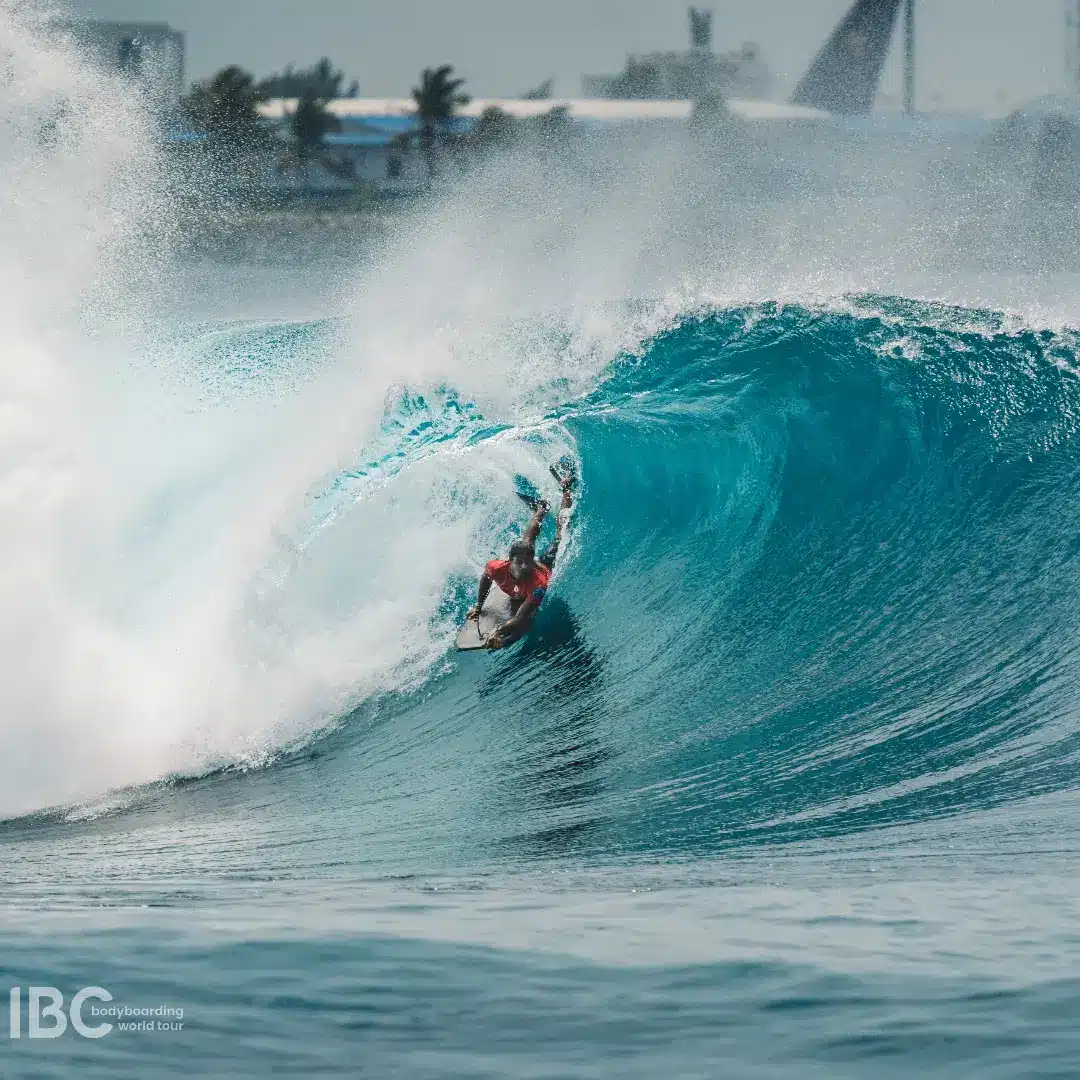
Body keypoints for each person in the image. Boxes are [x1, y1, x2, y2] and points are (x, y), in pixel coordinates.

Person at [467, 473, 574, 649]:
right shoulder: (496, 567)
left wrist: (499, 631)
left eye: (528, 562)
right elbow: (486, 577)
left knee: (561, 534)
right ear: (509, 561)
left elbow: (521, 618)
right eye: (519, 562)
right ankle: (541, 508)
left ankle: (566, 489)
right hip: (519, 565)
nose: (524, 567)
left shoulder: (538, 586)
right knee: (526, 542)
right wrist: (479, 606)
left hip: (545, 566)